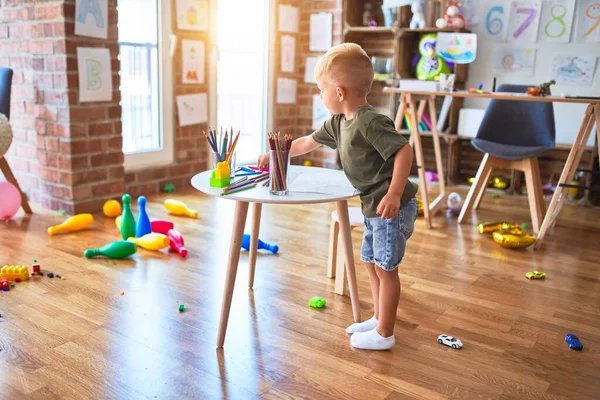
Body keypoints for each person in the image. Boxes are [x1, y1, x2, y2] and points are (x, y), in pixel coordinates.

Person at [258, 43, 418, 350]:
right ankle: (378, 317)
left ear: (340, 92)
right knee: (371, 263)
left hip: (390, 205)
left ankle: (385, 333)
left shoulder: (369, 121)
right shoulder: (337, 123)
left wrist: (395, 194)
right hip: (372, 204)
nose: (320, 95)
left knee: (386, 268)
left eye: (321, 89)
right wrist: (275, 152)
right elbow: (306, 142)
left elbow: (404, 151)